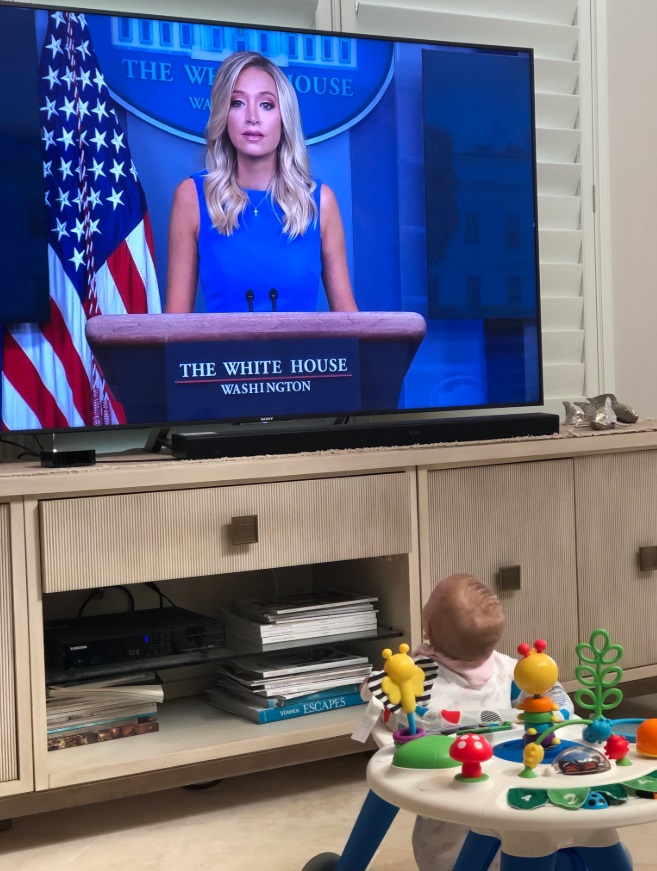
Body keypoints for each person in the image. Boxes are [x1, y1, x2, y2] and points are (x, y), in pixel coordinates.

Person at [362, 573, 573, 871]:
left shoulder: (422, 676)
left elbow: (378, 695)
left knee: (444, 843)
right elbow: (548, 694)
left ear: (428, 632)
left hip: (450, 794)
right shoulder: (511, 669)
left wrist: (372, 681)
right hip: (510, 790)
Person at [166, 50, 357, 314]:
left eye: (266, 104)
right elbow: (174, 328)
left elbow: (350, 321)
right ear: (223, 113)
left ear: (284, 117)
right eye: (237, 103)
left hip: (305, 356)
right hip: (220, 356)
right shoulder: (192, 198)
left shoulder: (320, 202)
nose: (252, 117)